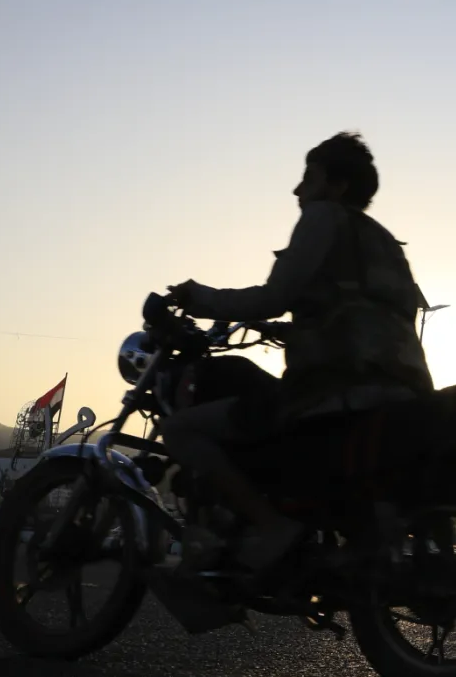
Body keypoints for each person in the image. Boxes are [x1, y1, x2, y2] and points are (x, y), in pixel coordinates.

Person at [157, 132, 434, 581]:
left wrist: (198, 298)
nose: (297, 190)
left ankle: (270, 527)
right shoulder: (382, 240)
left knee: (180, 428)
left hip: (335, 387)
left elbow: (274, 295)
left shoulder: (323, 217)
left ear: (337, 186)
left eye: (309, 177)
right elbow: (358, 312)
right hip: (401, 386)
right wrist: (291, 329)